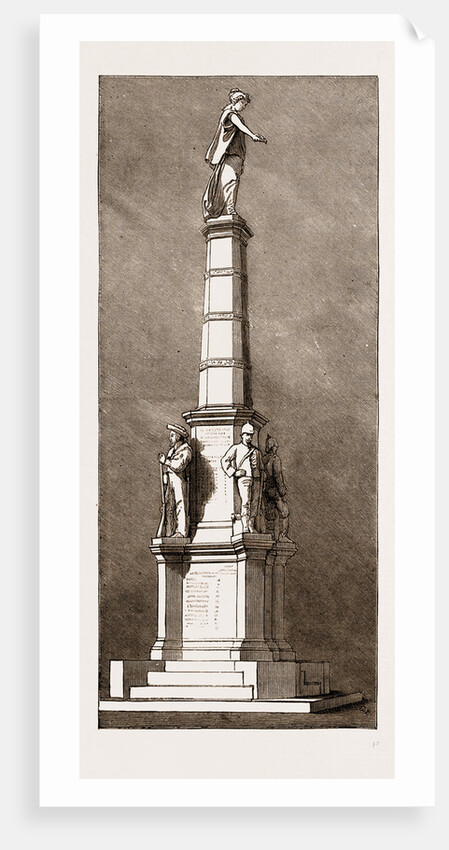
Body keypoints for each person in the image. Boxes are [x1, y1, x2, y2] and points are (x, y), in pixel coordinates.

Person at [202, 88, 267, 220]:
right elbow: (239, 125)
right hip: (230, 156)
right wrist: (252, 135)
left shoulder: (232, 114)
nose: (244, 106)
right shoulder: (230, 114)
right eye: (243, 103)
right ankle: (229, 209)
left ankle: (229, 208)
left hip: (235, 156)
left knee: (231, 181)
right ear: (237, 101)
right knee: (230, 181)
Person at [221, 422, 263, 533]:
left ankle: (251, 525)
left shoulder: (256, 452)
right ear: (242, 435)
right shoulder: (236, 448)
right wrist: (235, 472)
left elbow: (260, 467)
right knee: (246, 502)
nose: (249, 437)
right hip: (244, 479)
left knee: (255, 503)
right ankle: (245, 526)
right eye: (247, 435)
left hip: (256, 479)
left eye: (251, 435)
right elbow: (224, 461)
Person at [158, 424, 192, 538]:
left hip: (179, 480)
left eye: (172, 435)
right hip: (170, 481)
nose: (170, 438)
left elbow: (178, 466)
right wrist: (165, 478)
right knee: (169, 506)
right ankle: (169, 532)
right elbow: (168, 468)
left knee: (180, 504)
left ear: (178, 437)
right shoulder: (172, 451)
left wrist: (165, 462)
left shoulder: (186, 450)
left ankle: (181, 532)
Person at [262, 435, 290, 540]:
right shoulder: (275, 459)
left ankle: (271, 536)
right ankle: (283, 537)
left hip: (265, 490)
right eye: (275, 446)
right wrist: (282, 493)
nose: (276, 448)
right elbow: (278, 477)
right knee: (284, 512)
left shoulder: (263, 459)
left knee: (270, 515)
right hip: (275, 490)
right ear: (272, 447)